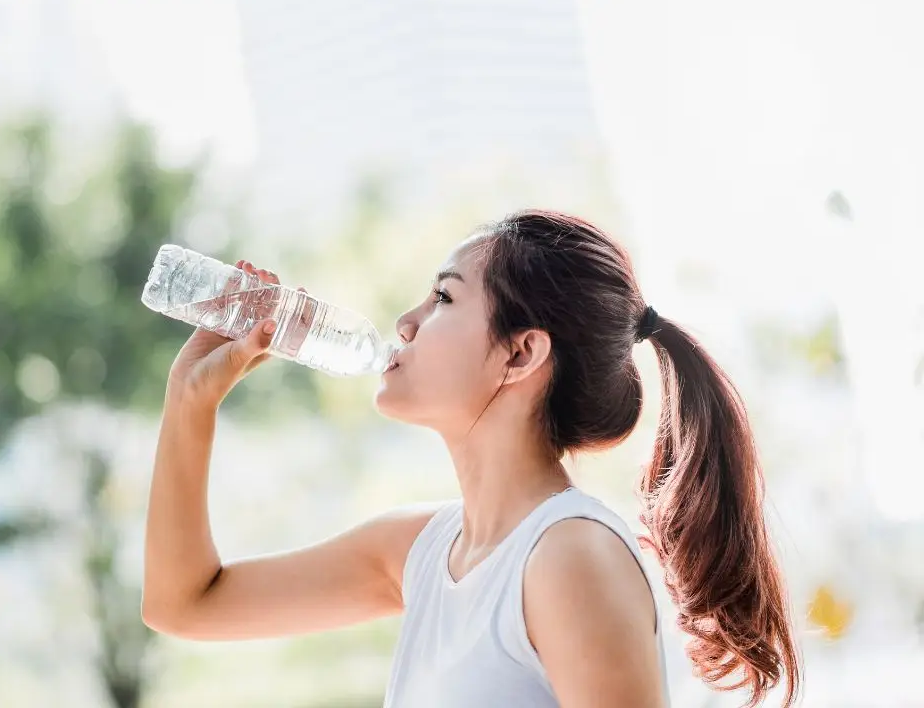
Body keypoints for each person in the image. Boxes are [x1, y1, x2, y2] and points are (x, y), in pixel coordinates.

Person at [142, 210, 801, 707]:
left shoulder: (569, 557)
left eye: (444, 298)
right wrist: (190, 400)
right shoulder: (421, 552)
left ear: (521, 353)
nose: (405, 322)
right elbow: (185, 604)